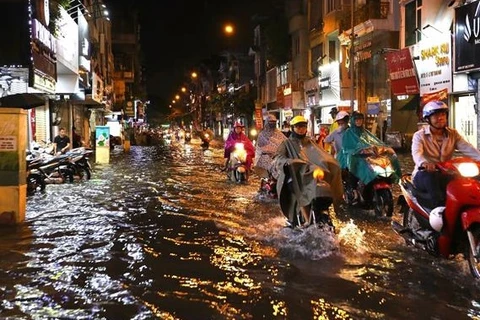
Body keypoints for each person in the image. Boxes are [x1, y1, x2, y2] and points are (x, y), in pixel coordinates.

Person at [274, 115, 343, 227]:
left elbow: (322, 155)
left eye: (303, 126)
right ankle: (306, 219)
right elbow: (278, 158)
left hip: (312, 173)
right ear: (293, 128)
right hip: (295, 174)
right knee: (296, 186)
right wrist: (288, 162)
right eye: (298, 126)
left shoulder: (311, 142)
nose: (301, 129)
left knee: (329, 175)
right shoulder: (286, 143)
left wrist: (331, 162)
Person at [412, 100, 480, 213]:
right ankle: (439, 211)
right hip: (424, 173)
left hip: (446, 172)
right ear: (427, 119)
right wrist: (424, 163)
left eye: (443, 114)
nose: (440, 118)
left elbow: (468, 149)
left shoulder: (453, 134)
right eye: (436, 115)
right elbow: (417, 153)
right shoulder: (419, 135)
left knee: (470, 181)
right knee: (431, 178)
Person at [339, 111, 401, 199]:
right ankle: (354, 189)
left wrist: (383, 148)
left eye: (360, 120)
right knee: (354, 165)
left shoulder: (365, 132)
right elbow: (347, 147)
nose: (358, 122)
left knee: (387, 159)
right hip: (353, 156)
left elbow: (375, 141)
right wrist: (358, 150)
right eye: (356, 120)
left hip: (366, 156)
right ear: (353, 121)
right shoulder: (348, 133)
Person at [253, 114, 287, 178]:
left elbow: (286, 143)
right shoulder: (262, 134)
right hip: (266, 157)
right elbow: (259, 149)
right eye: (270, 122)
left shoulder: (279, 134)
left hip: (279, 156)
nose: (272, 124)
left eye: (274, 122)